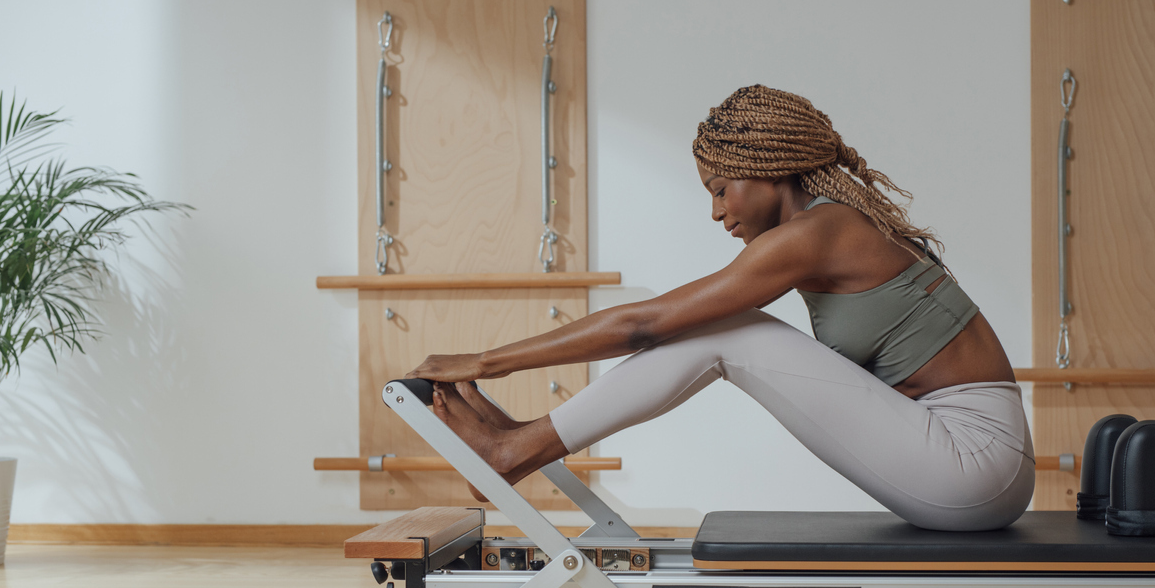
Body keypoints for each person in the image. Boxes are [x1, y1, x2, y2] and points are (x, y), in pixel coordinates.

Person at [407, 84, 1034, 531]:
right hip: (968, 462)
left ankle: (517, 449)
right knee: (729, 329)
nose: (716, 212)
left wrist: (485, 362)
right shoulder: (830, 227)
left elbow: (645, 324)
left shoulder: (818, 233)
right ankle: (520, 441)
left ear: (767, 170)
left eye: (720, 189)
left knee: (730, 332)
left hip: (974, 464)